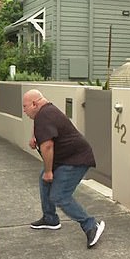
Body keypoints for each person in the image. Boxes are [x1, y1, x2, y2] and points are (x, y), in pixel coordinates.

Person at [22, 89, 105, 249]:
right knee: (44, 181)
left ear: (34, 104)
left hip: (75, 160)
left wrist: (48, 171)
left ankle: (91, 225)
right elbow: (40, 128)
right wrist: (35, 136)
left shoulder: (44, 115)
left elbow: (47, 146)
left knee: (59, 196)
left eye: (25, 106)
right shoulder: (44, 112)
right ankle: (50, 218)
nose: (24, 110)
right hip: (66, 158)